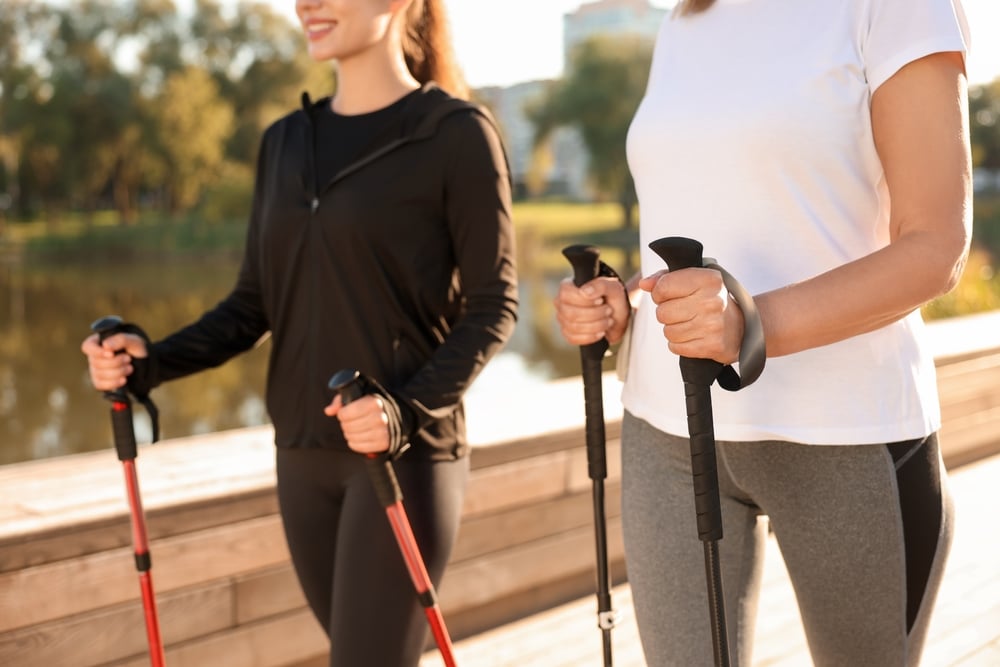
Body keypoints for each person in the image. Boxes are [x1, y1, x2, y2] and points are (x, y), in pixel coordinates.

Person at [81, 0, 517, 664]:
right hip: (301, 459)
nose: (306, 4)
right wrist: (152, 360)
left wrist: (403, 410)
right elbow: (254, 303)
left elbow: (493, 305)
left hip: (403, 460)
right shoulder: (285, 140)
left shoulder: (454, 132)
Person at [554, 0, 972, 665]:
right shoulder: (682, 22)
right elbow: (721, 208)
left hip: (844, 438)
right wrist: (624, 297)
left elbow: (936, 245)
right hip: (668, 431)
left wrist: (749, 322)